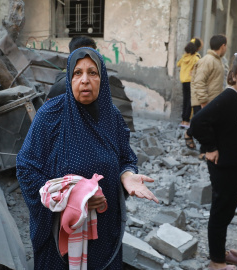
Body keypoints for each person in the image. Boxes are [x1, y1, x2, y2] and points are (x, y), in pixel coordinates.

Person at [16, 47, 159, 269]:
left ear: (101, 78)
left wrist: (127, 175)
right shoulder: (51, 115)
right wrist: (73, 200)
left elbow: (126, 158)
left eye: (92, 73)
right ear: (70, 76)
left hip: (104, 231)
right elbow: (26, 169)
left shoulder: (111, 115)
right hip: (62, 235)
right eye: (78, 73)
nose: (85, 80)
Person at [190, 52, 237, 270]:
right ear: (233, 77)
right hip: (225, 166)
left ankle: (222, 252)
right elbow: (198, 122)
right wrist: (210, 148)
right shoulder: (228, 97)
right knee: (221, 212)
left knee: (229, 209)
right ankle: (216, 261)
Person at [184, 34, 227, 158]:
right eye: (226, 46)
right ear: (223, 46)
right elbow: (199, 81)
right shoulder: (208, 60)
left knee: (208, 126)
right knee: (203, 126)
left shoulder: (217, 60)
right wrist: (203, 101)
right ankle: (189, 134)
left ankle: (204, 151)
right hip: (203, 101)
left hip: (211, 101)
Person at [45, 35, 97, 100]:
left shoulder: (98, 79)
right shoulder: (64, 84)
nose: (85, 81)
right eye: (83, 55)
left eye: (92, 55)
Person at [177, 38, 203, 128]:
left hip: (184, 81)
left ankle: (183, 120)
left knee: (185, 100)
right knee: (190, 101)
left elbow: (178, 64)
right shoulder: (196, 57)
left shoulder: (184, 57)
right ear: (197, 48)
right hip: (191, 81)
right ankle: (187, 121)